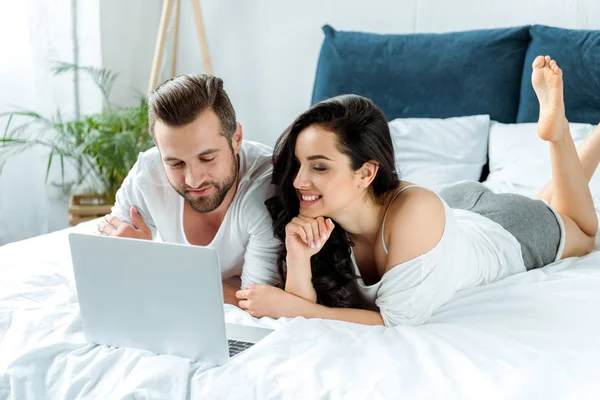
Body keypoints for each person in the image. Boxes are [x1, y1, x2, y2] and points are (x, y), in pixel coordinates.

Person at [235, 56, 599, 326]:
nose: (298, 181)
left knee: (582, 232)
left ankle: (562, 133)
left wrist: (290, 306)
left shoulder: (412, 212)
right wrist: (299, 259)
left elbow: (394, 322)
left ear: (366, 173)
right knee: (555, 204)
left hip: (507, 230)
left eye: (319, 167)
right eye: (298, 165)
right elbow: (301, 321)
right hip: (455, 214)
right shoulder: (326, 219)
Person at [96, 74, 280, 304]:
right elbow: (104, 268)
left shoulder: (266, 189)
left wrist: (149, 264)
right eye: (175, 163)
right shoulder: (148, 173)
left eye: (207, 158)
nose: (193, 180)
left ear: (237, 139)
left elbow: (254, 304)